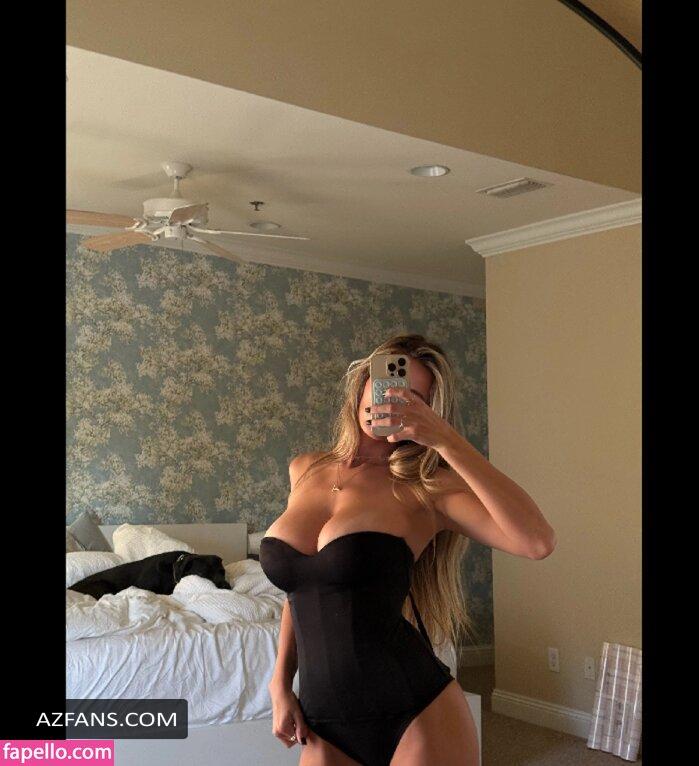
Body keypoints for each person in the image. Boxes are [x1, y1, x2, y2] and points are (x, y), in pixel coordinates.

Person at [260, 334, 556, 765]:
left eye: (412, 397)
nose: (391, 399)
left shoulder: (426, 487)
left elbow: (537, 542)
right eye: (386, 383)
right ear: (363, 383)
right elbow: (303, 589)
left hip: (415, 712)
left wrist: (447, 441)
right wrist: (280, 684)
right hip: (323, 722)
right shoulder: (305, 469)